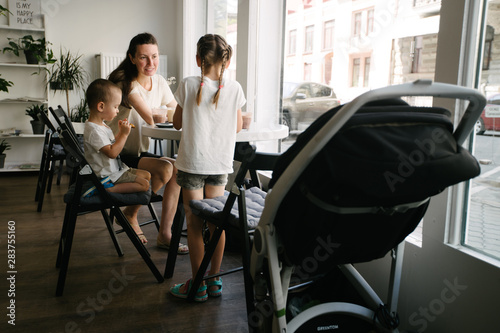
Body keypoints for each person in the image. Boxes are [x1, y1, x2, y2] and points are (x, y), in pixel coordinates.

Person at [170, 34, 245, 302]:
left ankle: (197, 285)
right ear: (225, 60)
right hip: (219, 164)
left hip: (192, 163)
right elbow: (237, 127)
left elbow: (177, 123)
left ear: (198, 60)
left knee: (194, 223)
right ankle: (214, 281)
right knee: (217, 224)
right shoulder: (234, 88)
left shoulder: (189, 84)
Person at [108, 32, 187, 252]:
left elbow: (174, 111)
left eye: (154, 56)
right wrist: (171, 113)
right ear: (132, 58)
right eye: (143, 57)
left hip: (138, 152)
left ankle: (165, 234)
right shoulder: (126, 83)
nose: (150, 63)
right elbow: (151, 118)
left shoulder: (159, 82)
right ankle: (131, 214)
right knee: (164, 169)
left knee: (178, 169)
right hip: (116, 155)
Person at [83, 79, 152, 236]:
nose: (116, 111)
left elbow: (110, 144)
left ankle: (123, 203)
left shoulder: (100, 126)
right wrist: (125, 135)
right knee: (144, 185)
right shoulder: (93, 130)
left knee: (147, 175)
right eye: (115, 107)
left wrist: (120, 132)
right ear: (101, 106)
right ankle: (109, 190)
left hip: (115, 169)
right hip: (108, 176)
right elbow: (113, 152)